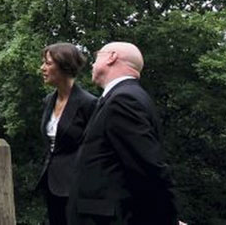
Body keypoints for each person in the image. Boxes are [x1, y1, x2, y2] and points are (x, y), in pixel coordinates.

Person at [67, 42, 181, 225]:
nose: (92, 64)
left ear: (112, 57)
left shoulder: (123, 100)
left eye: (97, 56)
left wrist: (169, 220)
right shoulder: (125, 97)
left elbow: (148, 167)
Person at [37, 43, 98, 225]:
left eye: (47, 63)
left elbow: (94, 148)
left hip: (79, 187)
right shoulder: (48, 100)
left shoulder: (89, 103)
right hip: (51, 184)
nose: (42, 68)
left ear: (64, 66)